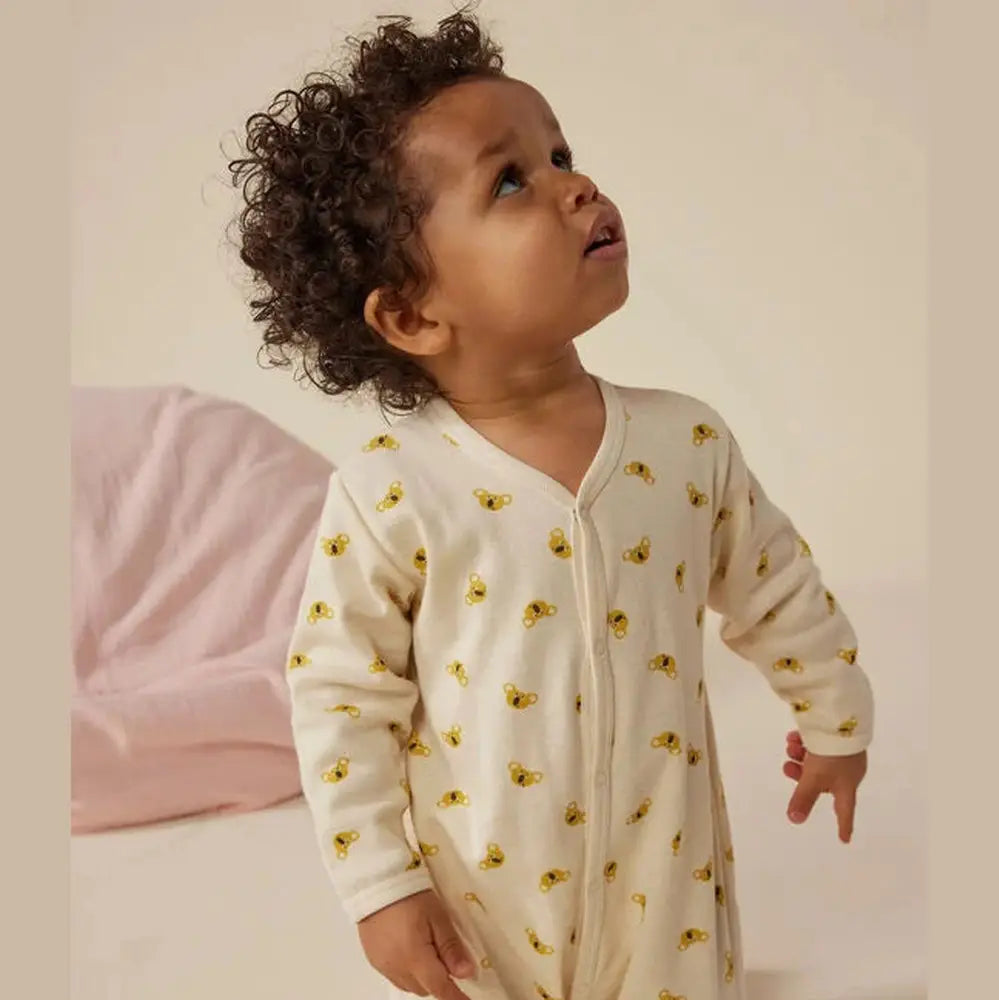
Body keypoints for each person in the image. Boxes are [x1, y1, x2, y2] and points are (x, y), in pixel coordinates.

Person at [228, 11, 874, 1000]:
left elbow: (775, 585)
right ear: (411, 312)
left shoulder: (684, 445)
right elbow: (341, 697)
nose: (577, 185)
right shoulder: (392, 490)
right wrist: (381, 885)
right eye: (510, 180)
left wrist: (836, 717)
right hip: (480, 911)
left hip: (670, 894)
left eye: (562, 155)